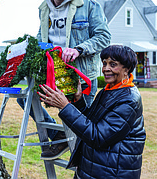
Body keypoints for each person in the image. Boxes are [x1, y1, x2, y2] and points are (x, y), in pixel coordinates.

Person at [18, 0, 111, 160]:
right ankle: (58, 136)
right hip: (53, 74)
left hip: (82, 75)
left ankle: (85, 166)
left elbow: (104, 36)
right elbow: (42, 37)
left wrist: (79, 49)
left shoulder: (88, 5)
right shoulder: (44, 9)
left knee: (83, 125)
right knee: (23, 98)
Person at [37, 45, 146, 179]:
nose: (106, 69)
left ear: (127, 69)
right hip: (95, 169)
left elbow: (98, 137)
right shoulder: (110, 90)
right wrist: (79, 100)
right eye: (104, 63)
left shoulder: (129, 100)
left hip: (111, 173)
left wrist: (65, 107)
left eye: (113, 64)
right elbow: (92, 121)